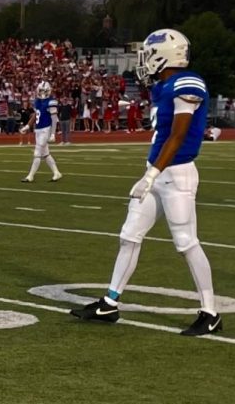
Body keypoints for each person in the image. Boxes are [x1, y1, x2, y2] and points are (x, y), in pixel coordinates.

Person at [71, 28, 222, 337]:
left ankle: (210, 312)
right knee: (130, 235)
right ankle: (110, 302)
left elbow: (178, 136)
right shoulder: (163, 87)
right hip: (156, 172)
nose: (144, 61)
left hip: (176, 174)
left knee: (186, 242)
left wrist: (152, 174)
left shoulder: (186, 83)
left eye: (148, 55)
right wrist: (150, 173)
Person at [21, 81, 62, 183]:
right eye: (41, 91)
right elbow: (36, 115)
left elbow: (54, 118)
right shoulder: (38, 101)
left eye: (44, 91)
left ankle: (30, 176)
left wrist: (53, 133)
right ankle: (56, 173)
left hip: (46, 130)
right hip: (38, 130)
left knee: (37, 153)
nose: (43, 93)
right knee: (45, 154)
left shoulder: (51, 102)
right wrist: (28, 125)